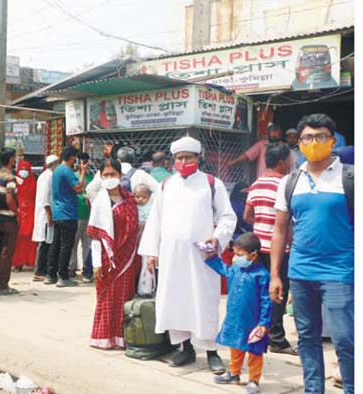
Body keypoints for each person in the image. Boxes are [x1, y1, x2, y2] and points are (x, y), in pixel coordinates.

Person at [270, 114, 354, 393]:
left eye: (320, 137)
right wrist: (275, 275)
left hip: (341, 270)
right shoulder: (290, 181)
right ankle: (313, 388)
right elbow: (280, 231)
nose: (313, 142)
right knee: (307, 337)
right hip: (301, 271)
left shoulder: (350, 176)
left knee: (345, 339)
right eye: (308, 137)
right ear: (300, 142)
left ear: (332, 140)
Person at [139, 136, 237, 373]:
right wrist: (152, 252)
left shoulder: (212, 184)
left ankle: (212, 351)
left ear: (198, 158)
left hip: (202, 257)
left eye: (188, 157)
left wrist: (218, 238)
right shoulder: (166, 185)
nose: (183, 161)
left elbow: (227, 216)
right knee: (176, 300)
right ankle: (186, 349)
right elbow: (156, 219)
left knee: (204, 301)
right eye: (179, 158)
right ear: (173, 160)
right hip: (171, 256)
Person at [242, 143, 298, 356]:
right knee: (278, 294)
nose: (292, 163)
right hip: (279, 249)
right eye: (290, 159)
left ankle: (260, 331)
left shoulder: (256, 184)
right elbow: (287, 223)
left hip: (258, 248)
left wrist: (262, 223)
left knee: (261, 292)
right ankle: (277, 338)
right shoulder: (286, 184)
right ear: (283, 161)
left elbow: (247, 216)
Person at [206, 233, 272, 394]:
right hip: (235, 318)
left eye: (240, 255)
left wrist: (264, 323)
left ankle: (254, 379)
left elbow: (266, 301)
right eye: (235, 253)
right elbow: (224, 270)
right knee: (235, 346)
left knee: (255, 351)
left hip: (254, 321)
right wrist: (212, 257)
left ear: (253, 255)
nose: (236, 258)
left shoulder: (262, 275)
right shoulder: (235, 269)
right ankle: (234, 373)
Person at [87, 159, 140, 350]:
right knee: (107, 297)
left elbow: (135, 229)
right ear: (100, 177)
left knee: (125, 296)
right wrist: (96, 264)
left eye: (113, 174)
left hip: (128, 257)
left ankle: (121, 337)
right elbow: (95, 236)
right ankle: (104, 337)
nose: (109, 178)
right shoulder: (100, 202)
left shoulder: (129, 200)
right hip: (106, 259)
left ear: (120, 175)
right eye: (105, 175)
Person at [46, 146, 89, 287]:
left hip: (58, 212)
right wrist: (83, 172)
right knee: (66, 246)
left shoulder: (57, 170)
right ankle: (63, 276)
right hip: (68, 212)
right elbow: (78, 188)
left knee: (56, 244)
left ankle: (51, 274)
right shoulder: (67, 171)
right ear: (71, 157)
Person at [0, 148, 20, 296]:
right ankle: (4, 285)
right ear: (11, 160)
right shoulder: (10, 179)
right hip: (8, 218)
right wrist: (17, 213)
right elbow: (9, 198)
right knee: (6, 253)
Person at [31, 155, 59, 282]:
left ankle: (43, 269)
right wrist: (49, 214)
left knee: (46, 242)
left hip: (45, 213)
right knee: (45, 243)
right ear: (54, 164)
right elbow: (45, 198)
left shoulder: (44, 175)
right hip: (46, 214)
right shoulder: (49, 176)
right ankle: (40, 270)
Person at [69, 152, 93, 280]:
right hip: (76, 213)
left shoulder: (92, 178)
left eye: (85, 162)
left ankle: (86, 268)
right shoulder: (73, 176)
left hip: (88, 214)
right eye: (81, 161)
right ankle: (71, 267)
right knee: (73, 242)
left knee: (87, 243)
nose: (83, 164)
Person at [12, 160, 36, 271]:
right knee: (17, 238)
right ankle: (18, 263)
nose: (24, 172)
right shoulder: (14, 182)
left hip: (31, 212)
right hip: (18, 212)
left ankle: (29, 261)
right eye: (22, 169)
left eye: (26, 170)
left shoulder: (33, 182)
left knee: (29, 237)